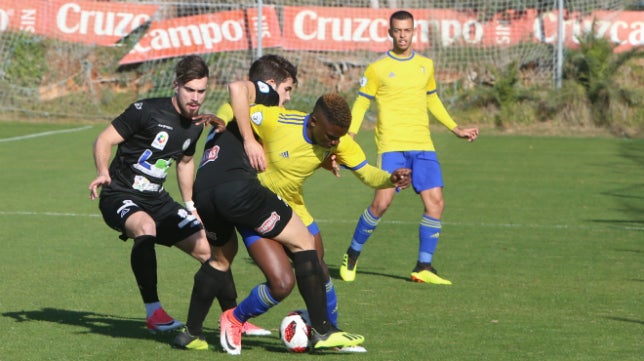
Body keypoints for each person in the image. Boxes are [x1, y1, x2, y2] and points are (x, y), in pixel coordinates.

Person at [172, 90, 366, 355]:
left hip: (205, 192)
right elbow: (239, 88)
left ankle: (192, 333)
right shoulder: (262, 104)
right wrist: (251, 141)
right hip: (240, 191)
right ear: (270, 82)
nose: (286, 96)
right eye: (287, 88)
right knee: (304, 242)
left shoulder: (230, 119)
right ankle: (323, 330)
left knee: (223, 261)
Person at [87, 55, 267, 336]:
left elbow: (184, 162)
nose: (196, 97)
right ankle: (153, 312)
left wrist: (190, 204)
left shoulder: (197, 124)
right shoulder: (144, 110)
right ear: (176, 86)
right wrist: (102, 171)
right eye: (190, 90)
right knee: (145, 227)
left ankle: (234, 319)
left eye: (201, 91)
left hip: (158, 200)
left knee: (211, 250)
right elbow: (104, 139)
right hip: (119, 194)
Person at [338, 10, 479, 285]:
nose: (402, 35)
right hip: (392, 145)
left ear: (414, 32)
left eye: (407, 30)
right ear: (390, 32)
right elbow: (362, 102)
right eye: (398, 30)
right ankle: (352, 255)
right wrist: (351, 133)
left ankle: (423, 266)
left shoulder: (426, 65)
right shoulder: (377, 68)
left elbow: (433, 99)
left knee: (435, 203)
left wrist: (455, 128)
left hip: (422, 145)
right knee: (382, 203)